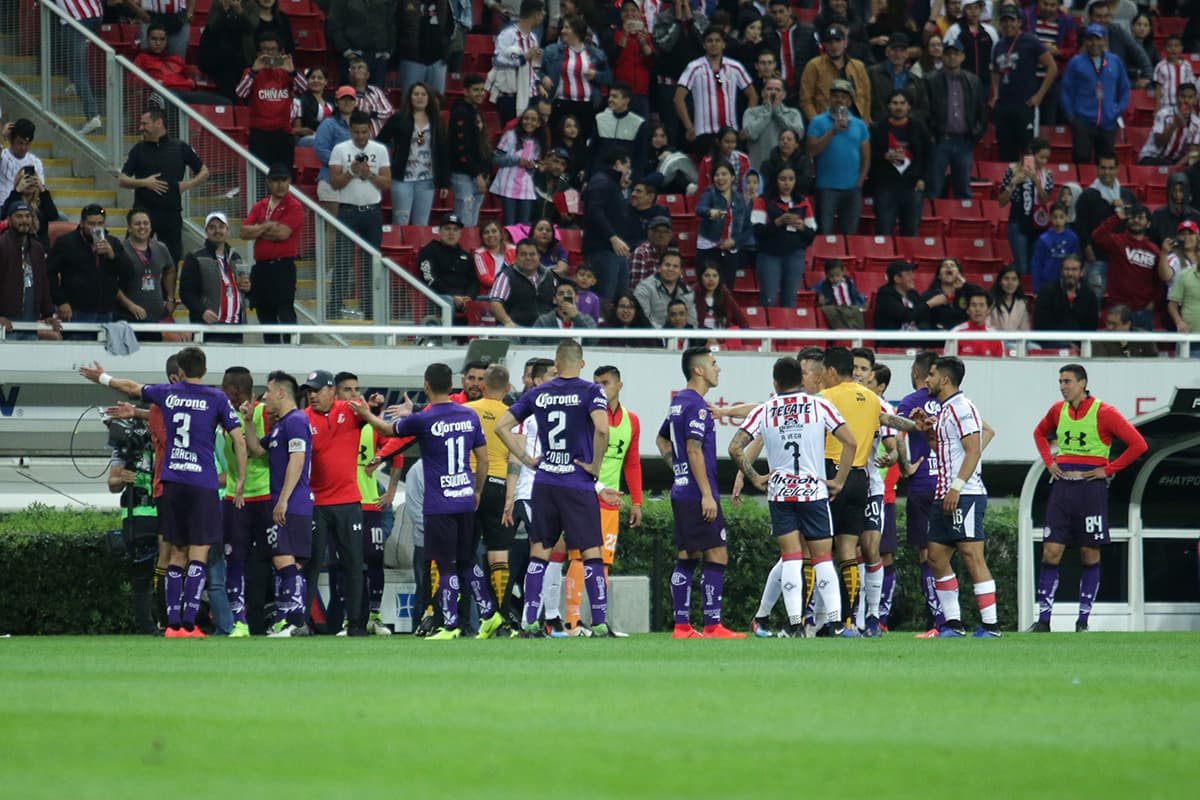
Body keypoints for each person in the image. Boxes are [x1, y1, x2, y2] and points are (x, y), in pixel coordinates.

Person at [80, 347, 247, 638]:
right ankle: (190, 623)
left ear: (179, 372)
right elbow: (238, 439)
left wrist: (102, 377)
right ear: (204, 371)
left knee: (174, 553)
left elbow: (131, 387)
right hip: (203, 483)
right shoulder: (217, 398)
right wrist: (240, 479)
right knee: (199, 552)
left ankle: (171, 625)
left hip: (171, 481)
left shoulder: (167, 395)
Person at [352, 365, 500, 640]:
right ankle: (490, 614)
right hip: (465, 499)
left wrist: (365, 414)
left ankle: (451, 624)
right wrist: (477, 491)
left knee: (445, 565)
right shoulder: (469, 415)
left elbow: (386, 428)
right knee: (467, 561)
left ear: (427, 385)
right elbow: (484, 459)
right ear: (453, 384)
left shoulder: (424, 419)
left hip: (440, 505)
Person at [729, 357, 855, 638]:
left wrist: (754, 476)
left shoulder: (765, 410)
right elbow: (851, 442)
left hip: (781, 493)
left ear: (775, 383)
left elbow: (735, 447)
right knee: (822, 559)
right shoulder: (819, 405)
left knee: (791, 558)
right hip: (813, 491)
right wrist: (839, 481)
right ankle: (835, 622)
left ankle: (794, 623)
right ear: (801, 378)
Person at [495, 340, 614, 638]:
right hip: (577, 482)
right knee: (591, 552)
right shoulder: (591, 391)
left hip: (545, 481)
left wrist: (525, 459)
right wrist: (595, 465)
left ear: (556, 364)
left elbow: (501, 427)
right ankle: (599, 622)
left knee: (540, 552)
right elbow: (602, 428)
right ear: (582, 364)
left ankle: (530, 622)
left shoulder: (539, 392)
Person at [1030, 364, 1148, 631]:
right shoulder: (1057, 411)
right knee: (1051, 551)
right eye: (1060, 381)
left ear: (1082, 383)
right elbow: (1039, 433)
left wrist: (1108, 469)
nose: (1062, 386)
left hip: (1090, 490)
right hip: (1062, 488)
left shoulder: (1104, 412)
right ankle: (1044, 620)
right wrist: (1049, 462)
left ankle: (1083, 621)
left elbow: (1138, 444)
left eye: (1067, 381)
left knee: (1089, 552)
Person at [655, 346, 744, 639]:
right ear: (698, 370)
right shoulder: (695, 405)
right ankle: (711, 624)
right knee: (717, 553)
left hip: (683, 489)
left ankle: (682, 625)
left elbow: (661, 440)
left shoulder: (679, 402)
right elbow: (693, 449)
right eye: (713, 363)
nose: (718, 368)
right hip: (696, 492)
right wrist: (707, 493)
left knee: (688, 553)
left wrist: (677, 469)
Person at [916, 355, 1000, 638]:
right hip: (946, 494)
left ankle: (991, 626)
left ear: (945, 379)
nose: (926, 379)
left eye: (931, 374)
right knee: (936, 558)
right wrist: (929, 434)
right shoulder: (946, 410)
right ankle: (953, 624)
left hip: (964, 494)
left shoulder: (962, 407)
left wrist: (958, 485)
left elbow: (973, 449)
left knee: (971, 555)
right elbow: (955, 446)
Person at [561, 364, 643, 635]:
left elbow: (631, 463)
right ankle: (571, 623)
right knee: (578, 558)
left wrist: (638, 502)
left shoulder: (632, 420)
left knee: (604, 561)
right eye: (596, 383)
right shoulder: (587, 417)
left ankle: (599, 622)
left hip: (611, 501)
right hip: (585, 496)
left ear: (619, 385)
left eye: (606, 382)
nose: (600, 388)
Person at [299, 369, 371, 636]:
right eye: (309, 391)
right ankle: (302, 622)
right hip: (316, 503)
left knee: (353, 564)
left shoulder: (350, 409)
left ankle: (355, 624)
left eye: (317, 390)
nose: (312, 395)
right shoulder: (302, 419)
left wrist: (373, 408)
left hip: (349, 502)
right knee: (311, 564)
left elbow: (374, 420)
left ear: (331, 390)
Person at [333, 373, 402, 636]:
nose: (353, 394)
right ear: (336, 395)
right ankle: (348, 620)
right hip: (340, 502)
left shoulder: (371, 425)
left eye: (356, 389)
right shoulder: (330, 425)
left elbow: (395, 448)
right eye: (347, 390)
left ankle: (374, 616)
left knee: (374, 559)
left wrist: (392, 489)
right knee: (345, 562)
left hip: (369, 503)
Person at [463, 364, 520, 631]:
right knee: (499, 554)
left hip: (470, 484)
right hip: (498, 486)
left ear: (483, 385)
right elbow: (515, 459)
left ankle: (463, 617)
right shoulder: (512, 416)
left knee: (462, 553)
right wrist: (510, 497)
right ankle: (502, 619)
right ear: (508, 389)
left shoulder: (467, 411)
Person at [217, 366, 271, 638]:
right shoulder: (223, 413)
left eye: (225, 385)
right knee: (233, 557)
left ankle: (260, 619)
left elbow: (260, 452)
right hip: (233, 498)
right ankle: (239, 620)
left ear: (235, 389)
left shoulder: (263, 413)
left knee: (263, 560)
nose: (222, 390)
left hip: (261, 494)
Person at [118, 108, 209, 265]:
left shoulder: (180, 147)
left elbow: (204, 171)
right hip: (143, 214)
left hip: (171, 214)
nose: (141, 128)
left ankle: (168, 290)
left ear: (158, 123)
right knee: (129, 258)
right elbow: (122, 179)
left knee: (171, 262)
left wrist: (186, 185)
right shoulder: (138, 149)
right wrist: (144, 182)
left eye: (144, 124)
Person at [328, 110, 389, 319]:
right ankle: (334, 308)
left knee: (371, 263)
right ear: (350, 130)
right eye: (356, 132)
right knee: (343, 261)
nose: (361, 136)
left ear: (370, 129)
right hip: (347, 211)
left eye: (364, 132)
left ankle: (372, 309)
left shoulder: (380, 150)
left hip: (372, 212)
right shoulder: (340, 149)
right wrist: (352, 171)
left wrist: (369, 174)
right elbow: (335, 183)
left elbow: (387, 183)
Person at [48, 204, 136, 332]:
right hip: (76, 311)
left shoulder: (113, 242)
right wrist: (60, 301)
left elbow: (128, 273)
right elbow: (49, 273)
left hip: (106, 311)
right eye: (91, 224)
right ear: (82, 223)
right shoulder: (66, 243)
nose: (96, 228)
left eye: (100, 223)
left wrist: (113, 256)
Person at [240, 163, 302, 343]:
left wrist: (257, 229)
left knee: (285, 312)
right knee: (264, 312)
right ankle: (272, 351)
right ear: (268, 182)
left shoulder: (294, 206)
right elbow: (243, 232)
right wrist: (267, 226)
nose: (280, 185)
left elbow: (282, 233)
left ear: (289, 181)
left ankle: (293, 351)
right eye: (276, 181)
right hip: (261, 268)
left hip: (282, 266)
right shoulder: (261, 205)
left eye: (284, 180)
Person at [989, 5, 1057, 162]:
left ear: (1019, 22)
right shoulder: (999, 45)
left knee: (1029, 152)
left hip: (1025, 105)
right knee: (1006, 152)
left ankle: (1028, 185)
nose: (1008, 25)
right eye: (1004, 21)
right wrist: (996, 95)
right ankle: (1010, 184)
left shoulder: (1030, 40)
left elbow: (1052, 67)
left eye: (1011, 21)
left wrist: (1039, 96)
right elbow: (994, 71)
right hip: (1004, 107)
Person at [674, 27, 757, 155]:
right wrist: (689, 128)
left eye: (718, 40)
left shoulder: (735, 67)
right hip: (704, 133)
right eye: (710, 41)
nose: (714, 44)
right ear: (704, 44)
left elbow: (753, 96)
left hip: (731, 132)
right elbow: (678, 99)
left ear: (724, 44)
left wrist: (747, 125)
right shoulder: (694, 67)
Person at [924, 38, 987, 199]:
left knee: (963, 190)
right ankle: (931, 223)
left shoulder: (973, 81)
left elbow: (982, 112)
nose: (952, 57)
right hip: (940, 141)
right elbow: (924, 111)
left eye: (956, 53)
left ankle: (965, 222)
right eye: (948, 54)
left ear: (963, 57)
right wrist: (931, 136)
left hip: (964, 141)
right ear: (942, 56)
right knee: (933, 189)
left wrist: (976, 134)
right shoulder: (930, 80)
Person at [807, 79, 871, 235]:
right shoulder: (817, 122)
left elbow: (866, 157)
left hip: (852, 189)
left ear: (850, 101)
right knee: (825, 234)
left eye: (843, 97)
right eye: (835, 96)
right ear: (830, 98)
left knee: (850, 235)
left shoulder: (860, 124)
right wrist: (832, 132)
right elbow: (811, 151)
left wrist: (860, 182)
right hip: (826, 188)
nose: (839, 100)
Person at [236, 31, 306, 174]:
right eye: (265, 50)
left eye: (273, 50)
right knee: (259, 177)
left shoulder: (287, 72)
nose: (269, 54)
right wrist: (254, 72)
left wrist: (292, 72)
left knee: (284, 177)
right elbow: (240, 93)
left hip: (283, 133)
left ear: (281, 52)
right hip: (260, 134)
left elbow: (304, 89)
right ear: (258, 53)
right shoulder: (250, 72)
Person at [379, 82, 447, 228]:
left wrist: (444, 182)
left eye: (423, 94)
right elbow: (380, 141)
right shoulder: (399, 117)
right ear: (409, 97)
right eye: (416, 94)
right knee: (400, 220)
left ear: (429, 98)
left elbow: (443, 152)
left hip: (427, 180)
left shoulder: (437, 120)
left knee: (421, 223)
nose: (420, 97)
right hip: (401, 178)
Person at [1060, 24, 1130, 165]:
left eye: (1098, 39)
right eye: (1090, 39)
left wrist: (1118, 109)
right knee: (1081, 158)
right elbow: (1066, 91)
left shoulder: (1114, 61)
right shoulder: (1076, 62)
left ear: (1104, 41)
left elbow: (1125, 88)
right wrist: (1071, 117)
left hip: (1108, 121)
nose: (1094, 43)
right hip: (1083, 121)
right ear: (1085, 41)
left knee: (1105, 162)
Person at [541, 14, 612, 146]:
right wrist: (543, 77)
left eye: (567, 28)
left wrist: (596, 75)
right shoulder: (552, 51)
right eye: (562, 27)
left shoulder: (597, 54)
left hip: (586, 106)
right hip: (561, 104)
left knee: (582, 143)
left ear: (577, 31)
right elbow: (537, 71)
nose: (562, 31)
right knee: (558, 142)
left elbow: (609, 77)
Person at [179, 213, 249, 342]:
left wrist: (248, 288)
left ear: (227, 231)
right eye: (212, 227)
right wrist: (202, 311)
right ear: (206, 231)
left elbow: (243, 290)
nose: (217, 231)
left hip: (235, 327)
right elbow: (186, 293)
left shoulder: (236, 258)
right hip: (208, 327)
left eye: (221, 227)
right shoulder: (195, 257)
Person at [870, 89, 930, 237]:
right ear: (888, 106)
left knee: (911, 232)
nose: (898, 107)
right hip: (885, 187)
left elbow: (929, 155)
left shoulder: (919, 127)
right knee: (883, 231)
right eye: (895, 103)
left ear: (909, 106)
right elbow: (868, 156)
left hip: (912, 187)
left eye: (902, 103)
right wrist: (884, 156)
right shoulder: (877, 129)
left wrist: (923, 179)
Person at [1091, 203, 1161, 330]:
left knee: (1143, 350)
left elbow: (1159, 280)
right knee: (1112, 349)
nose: (1136, 220)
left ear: (1148, 224)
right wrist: (1117, 217)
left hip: (1142, 311)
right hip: (1116, 309)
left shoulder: (1154, 250)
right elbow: (1097, 236)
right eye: (1133, 217)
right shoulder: (1117, 241)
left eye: (1141, 217)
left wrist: (1153, 302)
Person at [995, 137, 1056, 276]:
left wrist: (1036, 181)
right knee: (1021, 267)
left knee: (1033, 267)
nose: (1044, 161)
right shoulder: (1013, 169)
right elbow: (1001, 202)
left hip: (1037, 223)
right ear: (1031, 155)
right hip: (1018, 221)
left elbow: (1045, 199)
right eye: (1041, 157)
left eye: (1047, 158)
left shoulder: (1047, 174)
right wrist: (1013, 183)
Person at [0, 202, 61, 340]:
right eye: (19, 216)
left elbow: (43, 283)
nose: (24, 221)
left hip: (31, 322)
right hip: (6, 324)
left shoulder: (37, 248)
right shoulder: (2, 245)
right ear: (9, 220)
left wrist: (48, 315)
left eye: (28, 216)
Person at [582, 148, 634, 302]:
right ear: (618, 164)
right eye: (627, 167)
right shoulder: (601, 181)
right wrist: (612, 237)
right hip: (603, 249)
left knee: (621, 300)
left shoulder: (611, 183)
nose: (628, 171)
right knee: (605, 301)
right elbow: (594, 211)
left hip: (616, 250)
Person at [117, 207, 176, 337]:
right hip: (127, 318)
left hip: (155, 317)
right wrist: (131, 306)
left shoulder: (161, 248)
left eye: (146, 223)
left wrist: (170, 298)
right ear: (129, 228)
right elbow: (112, 284)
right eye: (137, 224)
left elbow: (170, 270)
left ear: (150, 226)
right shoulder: (120, 250)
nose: (142, 227)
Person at [1019, 0, 1077, 126]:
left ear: (1059, 5)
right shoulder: (1025, 16)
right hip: (1027, 79)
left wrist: (1058, 51)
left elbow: (1073, 50)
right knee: (1025, 122)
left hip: (1053, 81)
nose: (1048, 8)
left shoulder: (1067, 22)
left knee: (1048, 123)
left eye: (1052, 5)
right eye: (1045, 4)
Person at [694, 161, 750, 290]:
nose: (720, 178)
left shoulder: (740, 199)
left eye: (724, 174)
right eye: (717, 175)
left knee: (726, 290)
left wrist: (735, 241)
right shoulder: (710, 193)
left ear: (732, 177)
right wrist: (709, 212)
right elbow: (699, 208)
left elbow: (748, 228)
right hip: (709, 247)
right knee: (705, 289)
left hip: (730, 249)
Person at [800, 26, 871, 124]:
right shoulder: (813, 66)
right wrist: (818, 123)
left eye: (838, 41)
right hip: (826, 124)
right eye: (830, 42)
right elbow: (806, 100)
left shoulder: (858, 67)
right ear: (824, 44)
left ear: (845, 43)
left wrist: (864, 125)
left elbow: (866, 98)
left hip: (855, 123)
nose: (834, 45)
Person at [491, 0, 546, 124]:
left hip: (529, 96)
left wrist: (538, 84)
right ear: (536, 15)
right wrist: (522, 58)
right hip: (510, 97)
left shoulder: (533, 38)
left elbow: (533, 68)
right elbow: (497, 60)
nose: (543, 17)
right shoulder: (507, 35)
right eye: (542, 13)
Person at [448, 74, 491, 226]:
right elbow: (462, 149)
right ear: (465, 91)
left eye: (482, 90)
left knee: (472, 221)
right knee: (464, 220)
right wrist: (477, 175)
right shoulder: (460, 112)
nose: (480, 94)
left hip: (478, 173)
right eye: (475, 90)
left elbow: (482, 146)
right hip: (463, 173)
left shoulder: (475, 111)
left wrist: (484, 172)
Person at [491, 107, 546, 227]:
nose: (529, 122)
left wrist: (533, 166)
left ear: (538, 123)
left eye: (533, 120)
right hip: (508, 185)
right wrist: (517, 160)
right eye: (526, 119)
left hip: (525, 186)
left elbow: (534, 165)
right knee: (510, 224)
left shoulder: (537, 142)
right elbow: (496, 159)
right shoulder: (510, 136)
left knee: (524, 224)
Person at [873, 260, 945, 346]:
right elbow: (906, 315)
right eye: (908, 274)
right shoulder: (885, 295)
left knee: (943, 339)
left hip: (915, 337)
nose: (912, 277)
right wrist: (930, 303)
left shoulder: (912, 294)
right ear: (897, 279)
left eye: (912, 273)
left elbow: (922, 314)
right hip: (893, 340)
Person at [418, 213, 476, 317]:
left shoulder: (466, 256)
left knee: (485, 301)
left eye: (455, 230)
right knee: (447, 302)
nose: (451, 233)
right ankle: (447, 334)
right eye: (447, 228)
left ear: (460, 234)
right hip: (439, 297)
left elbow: (474, 281)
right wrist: (452, 296)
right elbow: (429, 277)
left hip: (464, 299)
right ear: (439, 231)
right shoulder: (430, 250)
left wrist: (469, 297)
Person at [327, 0, 396, 88]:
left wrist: (389, 51)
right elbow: (334, 25)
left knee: (377, 96)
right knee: (349, 95)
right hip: (352, 57)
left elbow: (391, 25)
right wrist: (346, 51)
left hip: (379, 58)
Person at [764, 0, 820, 107]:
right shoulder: (768, 35)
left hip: (804, 89)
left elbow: (817, 58)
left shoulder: (808, 30)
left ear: (789, 11)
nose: (778, 16)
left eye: (781, 12)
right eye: (774, 13)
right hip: (779, 91)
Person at [741, 77, 805, 171]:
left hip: (785, 172)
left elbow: (798, 134)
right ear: (763, 93)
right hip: (758, 170)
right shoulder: (751, 113)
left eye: (777, 90)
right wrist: (767, 112)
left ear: (784, 95)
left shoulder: (793, 113)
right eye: (769, 89)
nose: (773, 92)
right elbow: (750, 134)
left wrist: (777, 112)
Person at [490, 239, 557, 327]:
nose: (528, 258)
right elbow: (495, 304)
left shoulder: (549, 275)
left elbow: (559, 300)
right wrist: (508, 322)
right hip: (517, 328)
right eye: (523, 254)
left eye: (532, 254)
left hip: (546, 329)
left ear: (539, 256)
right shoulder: (506, 275)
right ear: (516, 257)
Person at [1084, 0, 1150, 89]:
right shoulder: (1083, 34)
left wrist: (1148, 77)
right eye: (1099, 16)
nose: (1103, 20)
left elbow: (1140, 54)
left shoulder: (1117, 31)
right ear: (1090, 18)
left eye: (1106, 16)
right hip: (1090, 83)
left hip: (1118, 82)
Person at [608, 1, 655, 120]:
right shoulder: (615, 34)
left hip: (641, 92)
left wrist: (644, 44)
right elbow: (612, 60)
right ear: (621, 14)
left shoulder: (647, 36)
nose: (629, 13)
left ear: (640, 14)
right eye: (625, 11)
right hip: (620, 93)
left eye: (633, 10)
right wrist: (625, 35)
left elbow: (653, 63)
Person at [395, 0, 453, 96]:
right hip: (412, 59)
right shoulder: (405, 2)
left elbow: (449, 25)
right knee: (410, 101)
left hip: (438, 60)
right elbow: (396, 24)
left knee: (436, 102)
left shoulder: (444, 2)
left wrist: (445, 47)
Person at [869, 33, 929, 125]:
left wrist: (906, 120)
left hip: (908, 129)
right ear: (887, 52)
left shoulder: (915, 80)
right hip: (880, 128)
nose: (898, 54)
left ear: (907, 54)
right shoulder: (873, 74)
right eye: (894, 50)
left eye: (902, 50)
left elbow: (923, 108)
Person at [1034, 254, 1100, 335]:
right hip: (1052, 342)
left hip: (1081, 343)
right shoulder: (1046, 292)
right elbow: (1040, 324)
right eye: (1067, 269)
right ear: (1061, 271)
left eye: (1074, 269)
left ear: (1082, 272)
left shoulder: (1089, 295)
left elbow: (1091, 326)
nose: (1070, 273)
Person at [1137, 83, 1200, 168]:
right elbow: (1159, 143)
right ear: (1177, 98)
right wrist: (1174, 125)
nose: (1186, 101)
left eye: (1190, 97)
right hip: (1152, 158)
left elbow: (1192, 152)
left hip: (1174, 162)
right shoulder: (1163, 114)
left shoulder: (1197, 123)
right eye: (1183, 96)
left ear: (1196, 100)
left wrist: (1175, 169)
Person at [634, 249, 696, 328]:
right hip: (653, 336)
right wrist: (665, 333)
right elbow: (642, 320)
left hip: (681, 336)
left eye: (675, 266)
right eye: (667, 265)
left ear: (681, 271)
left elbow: (692, 322)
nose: (670, 269)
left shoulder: (688, 291)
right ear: (659, 268)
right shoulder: (644, 288)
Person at [1, 166, 60, 250]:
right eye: (26, 180)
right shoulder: (14, 198)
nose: (30, 183)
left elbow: (53, 216)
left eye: (33, 179)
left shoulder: (43, 199)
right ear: (19, 182)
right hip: (15, 245)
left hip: (40, 246)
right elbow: (3, 215)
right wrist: (17, 191)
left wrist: (42, 190)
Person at [943, 0, 997, 86]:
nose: (973, 12)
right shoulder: (954, 30)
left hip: (985, 82)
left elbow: (994, 58)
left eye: (976, 8)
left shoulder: (990, 31)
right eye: (969, 8)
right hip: (961, 82)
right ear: (963, 10)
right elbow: (946, 55)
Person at [922, 257, 982, 331]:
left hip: (964, 337)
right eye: (944, 265)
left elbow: (985, 298)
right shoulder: (929, 295)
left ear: (959, 274)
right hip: (939, 338)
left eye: (952, 265)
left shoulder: (967, 292)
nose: (948, 266)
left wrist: (965, 285)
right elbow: (922, 319)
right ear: (939, 276)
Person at [1031, 203, 1080, 292]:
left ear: (1067, 218)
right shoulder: (1043, 239)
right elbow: (1037, 264)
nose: (1058, 220)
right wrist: (1036, 287)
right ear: (1050, 217)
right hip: (1046, 281)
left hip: (1066, 282)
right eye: (1055, 217)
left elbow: (1075, 262)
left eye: (1061, 217)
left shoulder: (1073, 238)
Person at [695, 127, 752, 198]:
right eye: (727, 142)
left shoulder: (744, 159)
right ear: (718, 142)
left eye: (733, 142)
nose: (730, 145)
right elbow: (702, 189)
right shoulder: (707, 162)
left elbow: (748, 185)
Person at [693, 264, 750, 332]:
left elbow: (744, 324)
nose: (711, 279)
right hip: (699, 341)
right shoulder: (692, 298)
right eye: (707, 275)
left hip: (723, 341)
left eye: (715, 276)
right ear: (700, 278)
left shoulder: (727, 298)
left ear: (719, 278)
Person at [812, 258, 867, 329]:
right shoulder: (824, 284)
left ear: (843, 272)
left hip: (850, 308)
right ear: (826, 275)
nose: (835, 278)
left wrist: (863, 302)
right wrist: (820, 295)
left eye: (838, 275)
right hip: (837, 310)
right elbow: (813, 290)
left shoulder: (849, 282)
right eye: (831, 276)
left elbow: (856, 294)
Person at [948, 289, 1005, 357]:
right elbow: (948, 364)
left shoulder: (996, 337)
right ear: (968, 310)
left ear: (988, 310)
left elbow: (1001, 365)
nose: (977, 309)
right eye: (973, 305)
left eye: (981, 305)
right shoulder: (955, 333)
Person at [1149, 174, 1200, 247]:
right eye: (1174, 190)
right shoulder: (1158, 215)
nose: (1177, 194)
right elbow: (1153, 243)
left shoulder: (1196, 216)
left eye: (1181, 190)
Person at [0, 119, 44, 204]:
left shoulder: (36, 162)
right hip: (4, 208)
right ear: (11, 140)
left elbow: (40, 191)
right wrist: (2, 136)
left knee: (60, 216)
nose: (23, 148)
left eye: (27, 144)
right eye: (20, 143)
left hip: (29, 210)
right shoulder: (3, 156)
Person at [1091, 303, 1158, 357]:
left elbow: (1154, 362)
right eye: (1108, 323)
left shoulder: (1144, 338)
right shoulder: (1100, 340)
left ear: (1127, 324)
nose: (1109, 327)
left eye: (1114, 324)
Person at [292, 65, 333, 147]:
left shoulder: (331, 99)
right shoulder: (301, 100)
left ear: (326, 81)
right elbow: (310, 122)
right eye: (312, 78)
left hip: (329, 134)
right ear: (307, 80)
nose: (316, 80)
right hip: (309, 137)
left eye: (320, 78)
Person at [1153, 36, 1195, 113]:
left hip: (1184, 105)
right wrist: (1157, 107)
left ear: (1181, 48)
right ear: (1165, 49)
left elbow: (1191, 87)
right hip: (1166, 105)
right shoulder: (1160, 66)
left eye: (1176, 46)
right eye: (1169, 46)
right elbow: (1158, 88)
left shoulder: (1187, 66)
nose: (1173, 49)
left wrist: (1192, 108)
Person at [1167, 243, 1200, 341]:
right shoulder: (1184, 275)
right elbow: (1172, 305)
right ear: (1196, 254)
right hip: (1189, 337)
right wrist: (1179, 322)